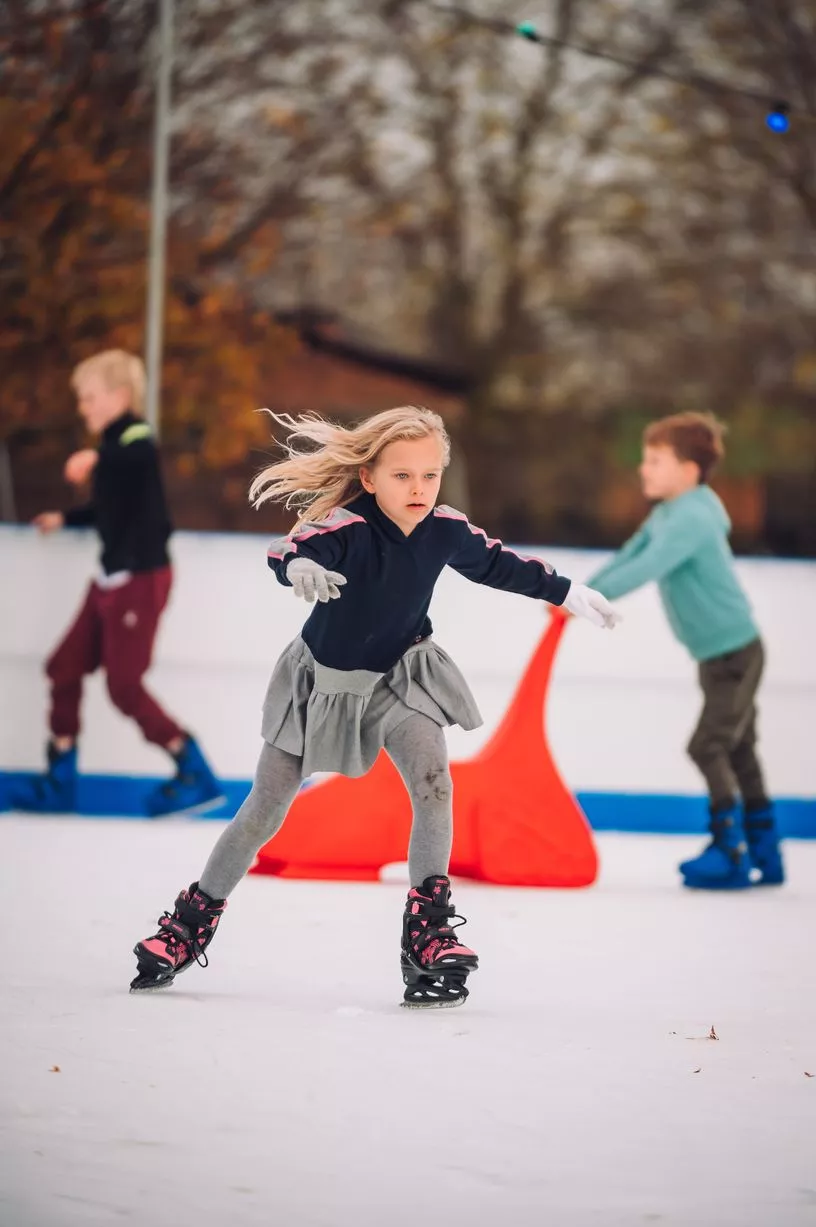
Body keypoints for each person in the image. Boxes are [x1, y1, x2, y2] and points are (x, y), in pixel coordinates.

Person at [130, 405, 619, 1008]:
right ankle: (187, 924)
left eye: (429, 476)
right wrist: (302, 566)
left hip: (399, 680)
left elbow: (497, 563)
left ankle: (429, 933)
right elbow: (290, 549)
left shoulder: (444, 528)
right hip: (322, 685)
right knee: (264, 810)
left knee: (434, 785)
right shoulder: (346, 527)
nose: (418, 490)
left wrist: (567, 590)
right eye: (402, 476)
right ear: (369, 478)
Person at [12, 349, 221, 819]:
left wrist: (94, 456)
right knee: (63, 667)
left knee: (124, 686)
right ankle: (59, 780)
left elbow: (134, 455)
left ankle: (193, 770)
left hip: (141, 579)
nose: (83, 408)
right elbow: (109, 507)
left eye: (90, 398)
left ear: (119, 396)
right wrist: (65, 516)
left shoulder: (134, 438)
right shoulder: (114, 450)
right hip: (107, 580)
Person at [587, 411, 783, 890]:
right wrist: (577, 592)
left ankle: (731, 851)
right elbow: (632, 553)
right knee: (738, 750)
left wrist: (590, 602)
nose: (643, 469)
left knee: (708, 745)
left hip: (736, 654)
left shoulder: (692, 516)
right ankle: (766, 852)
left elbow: (649, 565)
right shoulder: (670, 512)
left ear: (689, 470)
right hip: (717, 655)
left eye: (655, 460)